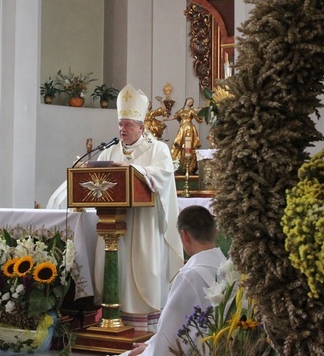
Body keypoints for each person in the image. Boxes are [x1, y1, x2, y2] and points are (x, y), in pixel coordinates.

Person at [46, 84, 184, 329]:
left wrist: (134, 170)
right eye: (121, 124)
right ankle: (110, 319)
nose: (123, 129)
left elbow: (162, 175)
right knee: (112, 273)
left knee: (144, 272)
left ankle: (144, 329)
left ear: (142, 127)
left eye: (128, 125)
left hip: (143, 225)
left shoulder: (158, 149)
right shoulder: (108, 151)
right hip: (110, 225)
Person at [122, 205, 225, 356]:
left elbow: (170, 332)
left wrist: (150, 349)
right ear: (214, 233)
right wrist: (150, 344)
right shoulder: (228, 268)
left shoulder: (190, 275)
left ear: (184, 236)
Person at [170, 97, 203, 174]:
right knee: (178, 145)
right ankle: (180, 165)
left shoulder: (192, 111)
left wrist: (201, 113)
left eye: (191, 102)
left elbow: (198, 118)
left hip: (189, 128)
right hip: (182, 129)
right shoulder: (181, 111)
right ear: (186, 101)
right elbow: (175, 117)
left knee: (189, 146)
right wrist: (166, 119)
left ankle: (190, 166)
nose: (190, 102)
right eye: (189, 101)